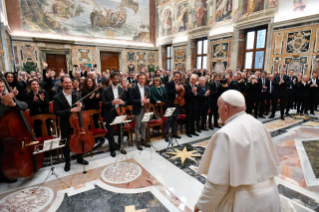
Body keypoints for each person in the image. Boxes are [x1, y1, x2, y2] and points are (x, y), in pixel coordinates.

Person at [194, 90, 280, 212]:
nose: (218, 112)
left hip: (243, 203)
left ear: (225, 109)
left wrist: (201, 205)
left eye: (218, 108)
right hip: (270, 198)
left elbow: (217, 184)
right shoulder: (258, 124)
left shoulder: (225, 134)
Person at [53, 76, 88, 172]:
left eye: (70, 83)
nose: (68, 84)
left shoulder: (76, 94)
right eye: (66, 83)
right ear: (62, 84)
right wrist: (70, 110)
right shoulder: (57, 97)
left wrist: (81, 106)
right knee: (66, 144)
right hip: (65, 124)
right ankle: (67, 162)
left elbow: (83, 106)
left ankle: (80, 158)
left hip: (77, 123)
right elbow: (57, 113)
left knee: (79, 140)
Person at [0, 79, 28, 183]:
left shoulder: (6, 96)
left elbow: (25, 105)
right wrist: (4, 104)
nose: (1, 89)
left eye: (2, 87)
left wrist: (14, 105)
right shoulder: (3, 99)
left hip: (7, 132)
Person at [102, 72, 127, 157]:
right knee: (111, 132)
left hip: (120, 113)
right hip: (110, 113)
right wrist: (112, 102)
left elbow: (127, 102)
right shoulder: (106, 90)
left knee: (121, 131)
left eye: (117, 78)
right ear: (111, 79)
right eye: (114, 78)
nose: (116, 80)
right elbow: (104, 103)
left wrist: (123, 102)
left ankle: (120, 146)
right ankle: (112, 148)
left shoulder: (121, 89)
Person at [130, 73, 151, 149]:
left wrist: (148, 100)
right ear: (138, 79)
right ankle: (138, 141)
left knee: (143, 125)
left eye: (144, 79)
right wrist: (140, 101)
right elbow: (131, 100)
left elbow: (149, 98)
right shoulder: (134, 88)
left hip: (145, 109)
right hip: (137, 108)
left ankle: (143, 140)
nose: (142, 80)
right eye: (141, 78)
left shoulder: (147, 88)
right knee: (137, 126)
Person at [164, 71, 183, 141]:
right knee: (169, 120)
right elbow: (168, 93)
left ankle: (174, 133)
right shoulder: (169, 84)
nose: (177, 78)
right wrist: (176, 89)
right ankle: (166, 135)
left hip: (177, 104)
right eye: (176, 76)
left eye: (179, 77)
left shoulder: (181, 84)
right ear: (173, 77)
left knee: (175, 119)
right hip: (170, 104)